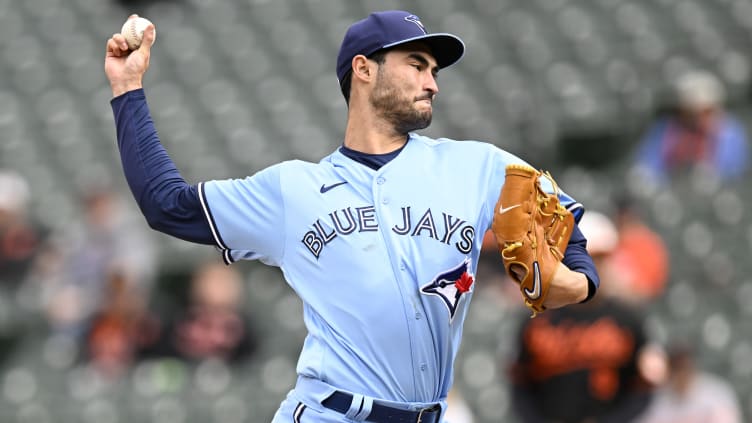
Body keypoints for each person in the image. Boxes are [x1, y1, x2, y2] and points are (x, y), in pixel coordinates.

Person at [104, 10, 599, 422]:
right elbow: (165, 203)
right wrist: (128, 89)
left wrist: (578, 284)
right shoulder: (292, 191)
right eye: (417, 64)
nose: (433, 83)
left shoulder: (478, 166)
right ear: (364, 69)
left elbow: (568, 224)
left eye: (435, 71)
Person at [508, 211, 659, 423]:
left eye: (600, 259)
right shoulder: (537, 320)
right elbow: (520, 387)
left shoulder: (628, 320)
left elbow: (644, 387)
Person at [634, 70, 749, 184]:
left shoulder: (730, 133)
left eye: (706, 112)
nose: (698, 118)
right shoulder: (665, 128)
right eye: (691, 112)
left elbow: (734, 170)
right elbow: (649, 164)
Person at [637, 343, 743, 423]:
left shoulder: (716, 393)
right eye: (677, 369)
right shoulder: (655, 400)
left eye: (685, 368)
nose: (682, 375)